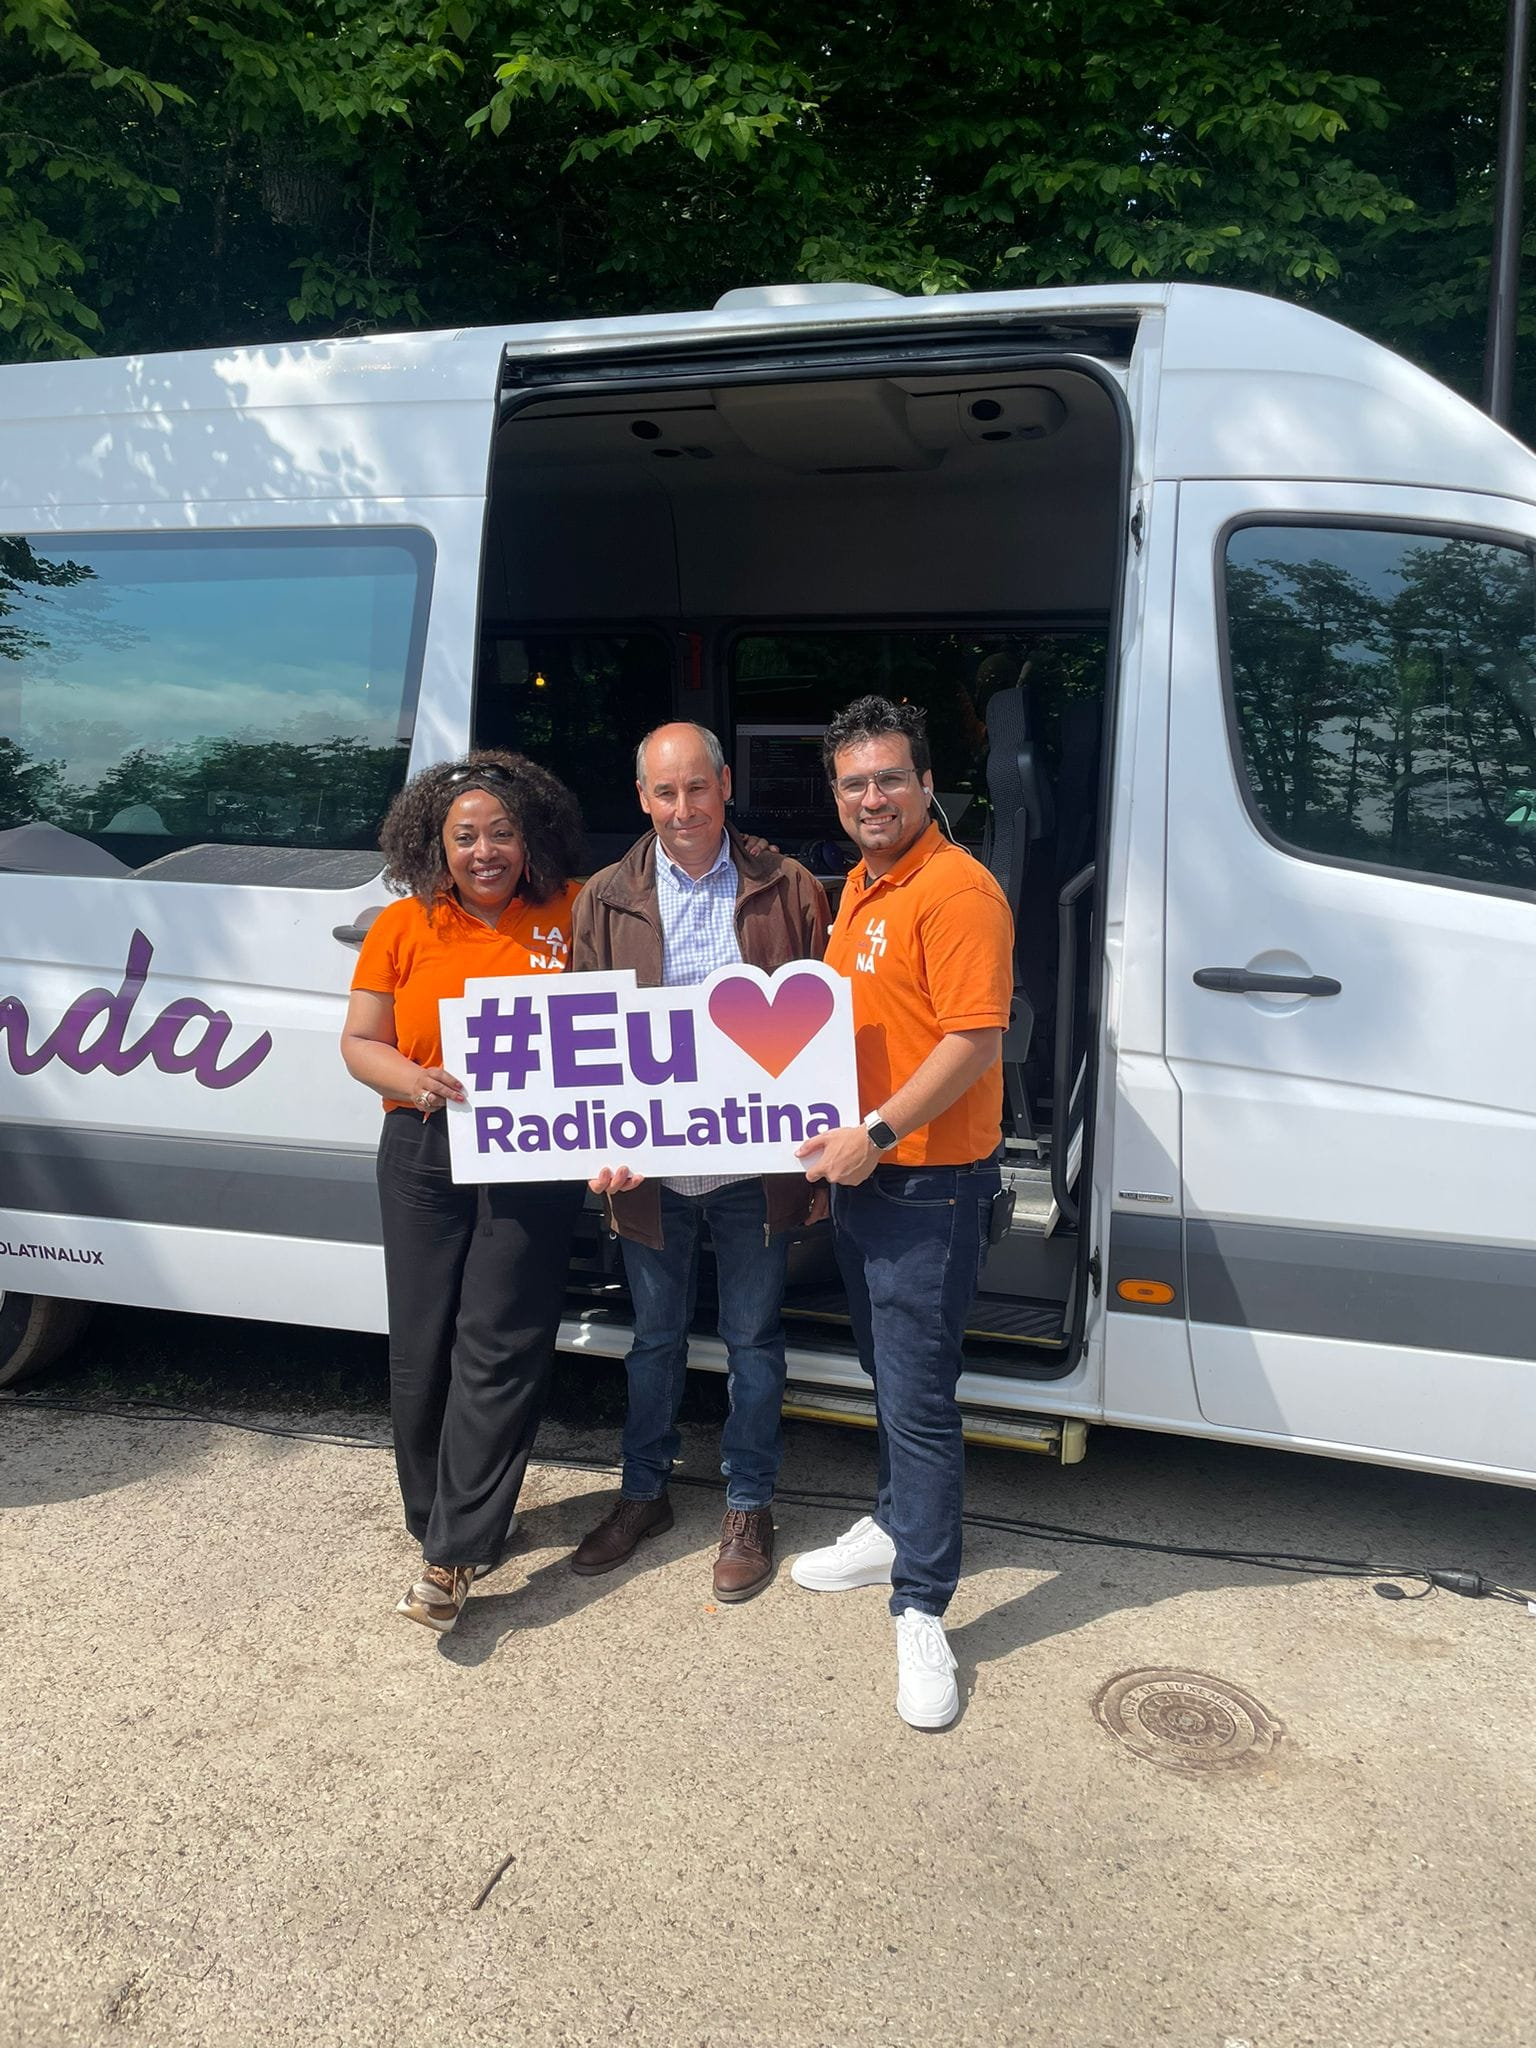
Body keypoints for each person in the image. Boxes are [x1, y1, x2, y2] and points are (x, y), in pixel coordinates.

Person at [568, 721, 829, 1601]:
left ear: (725, 786)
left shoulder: (788, 886)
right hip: (650, 1172)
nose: (683, 808)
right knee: (653, 1340)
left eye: (697, 788)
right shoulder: (603, 899)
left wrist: (819, 1151)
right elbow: (581, 1035)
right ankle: (644, 1493)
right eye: (665, 792)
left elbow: (827, 1026)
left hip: (755, 1168)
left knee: (754, 1340)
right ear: (643, 798)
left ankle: (749, 1505)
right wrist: (596, 1143)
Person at [791, 695, 1012, 1729]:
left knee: (919, 1400)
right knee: (887, 1374)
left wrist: (874, 1133)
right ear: (836, 795)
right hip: (868, 1179)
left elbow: (973, 1039)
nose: (871, 797)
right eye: (853, 783)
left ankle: (922, 1604)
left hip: (928, 1183)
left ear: (927, 783)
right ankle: (892, 1525)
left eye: (889, 778)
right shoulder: (861, 887)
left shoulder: (956, 889)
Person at [341, 750, 586, 1635]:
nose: (486, 852)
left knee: (501, 1342)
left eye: (503, 833)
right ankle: (435, 1519)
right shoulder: (403, 924)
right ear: (435, 847)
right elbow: (360, 1043)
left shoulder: (575, 909)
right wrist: (414, 1079)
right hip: (423, 1145)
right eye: (466, 837)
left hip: (534, 1153)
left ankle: (454, 1550)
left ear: (532, 838)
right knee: (422, 1347)